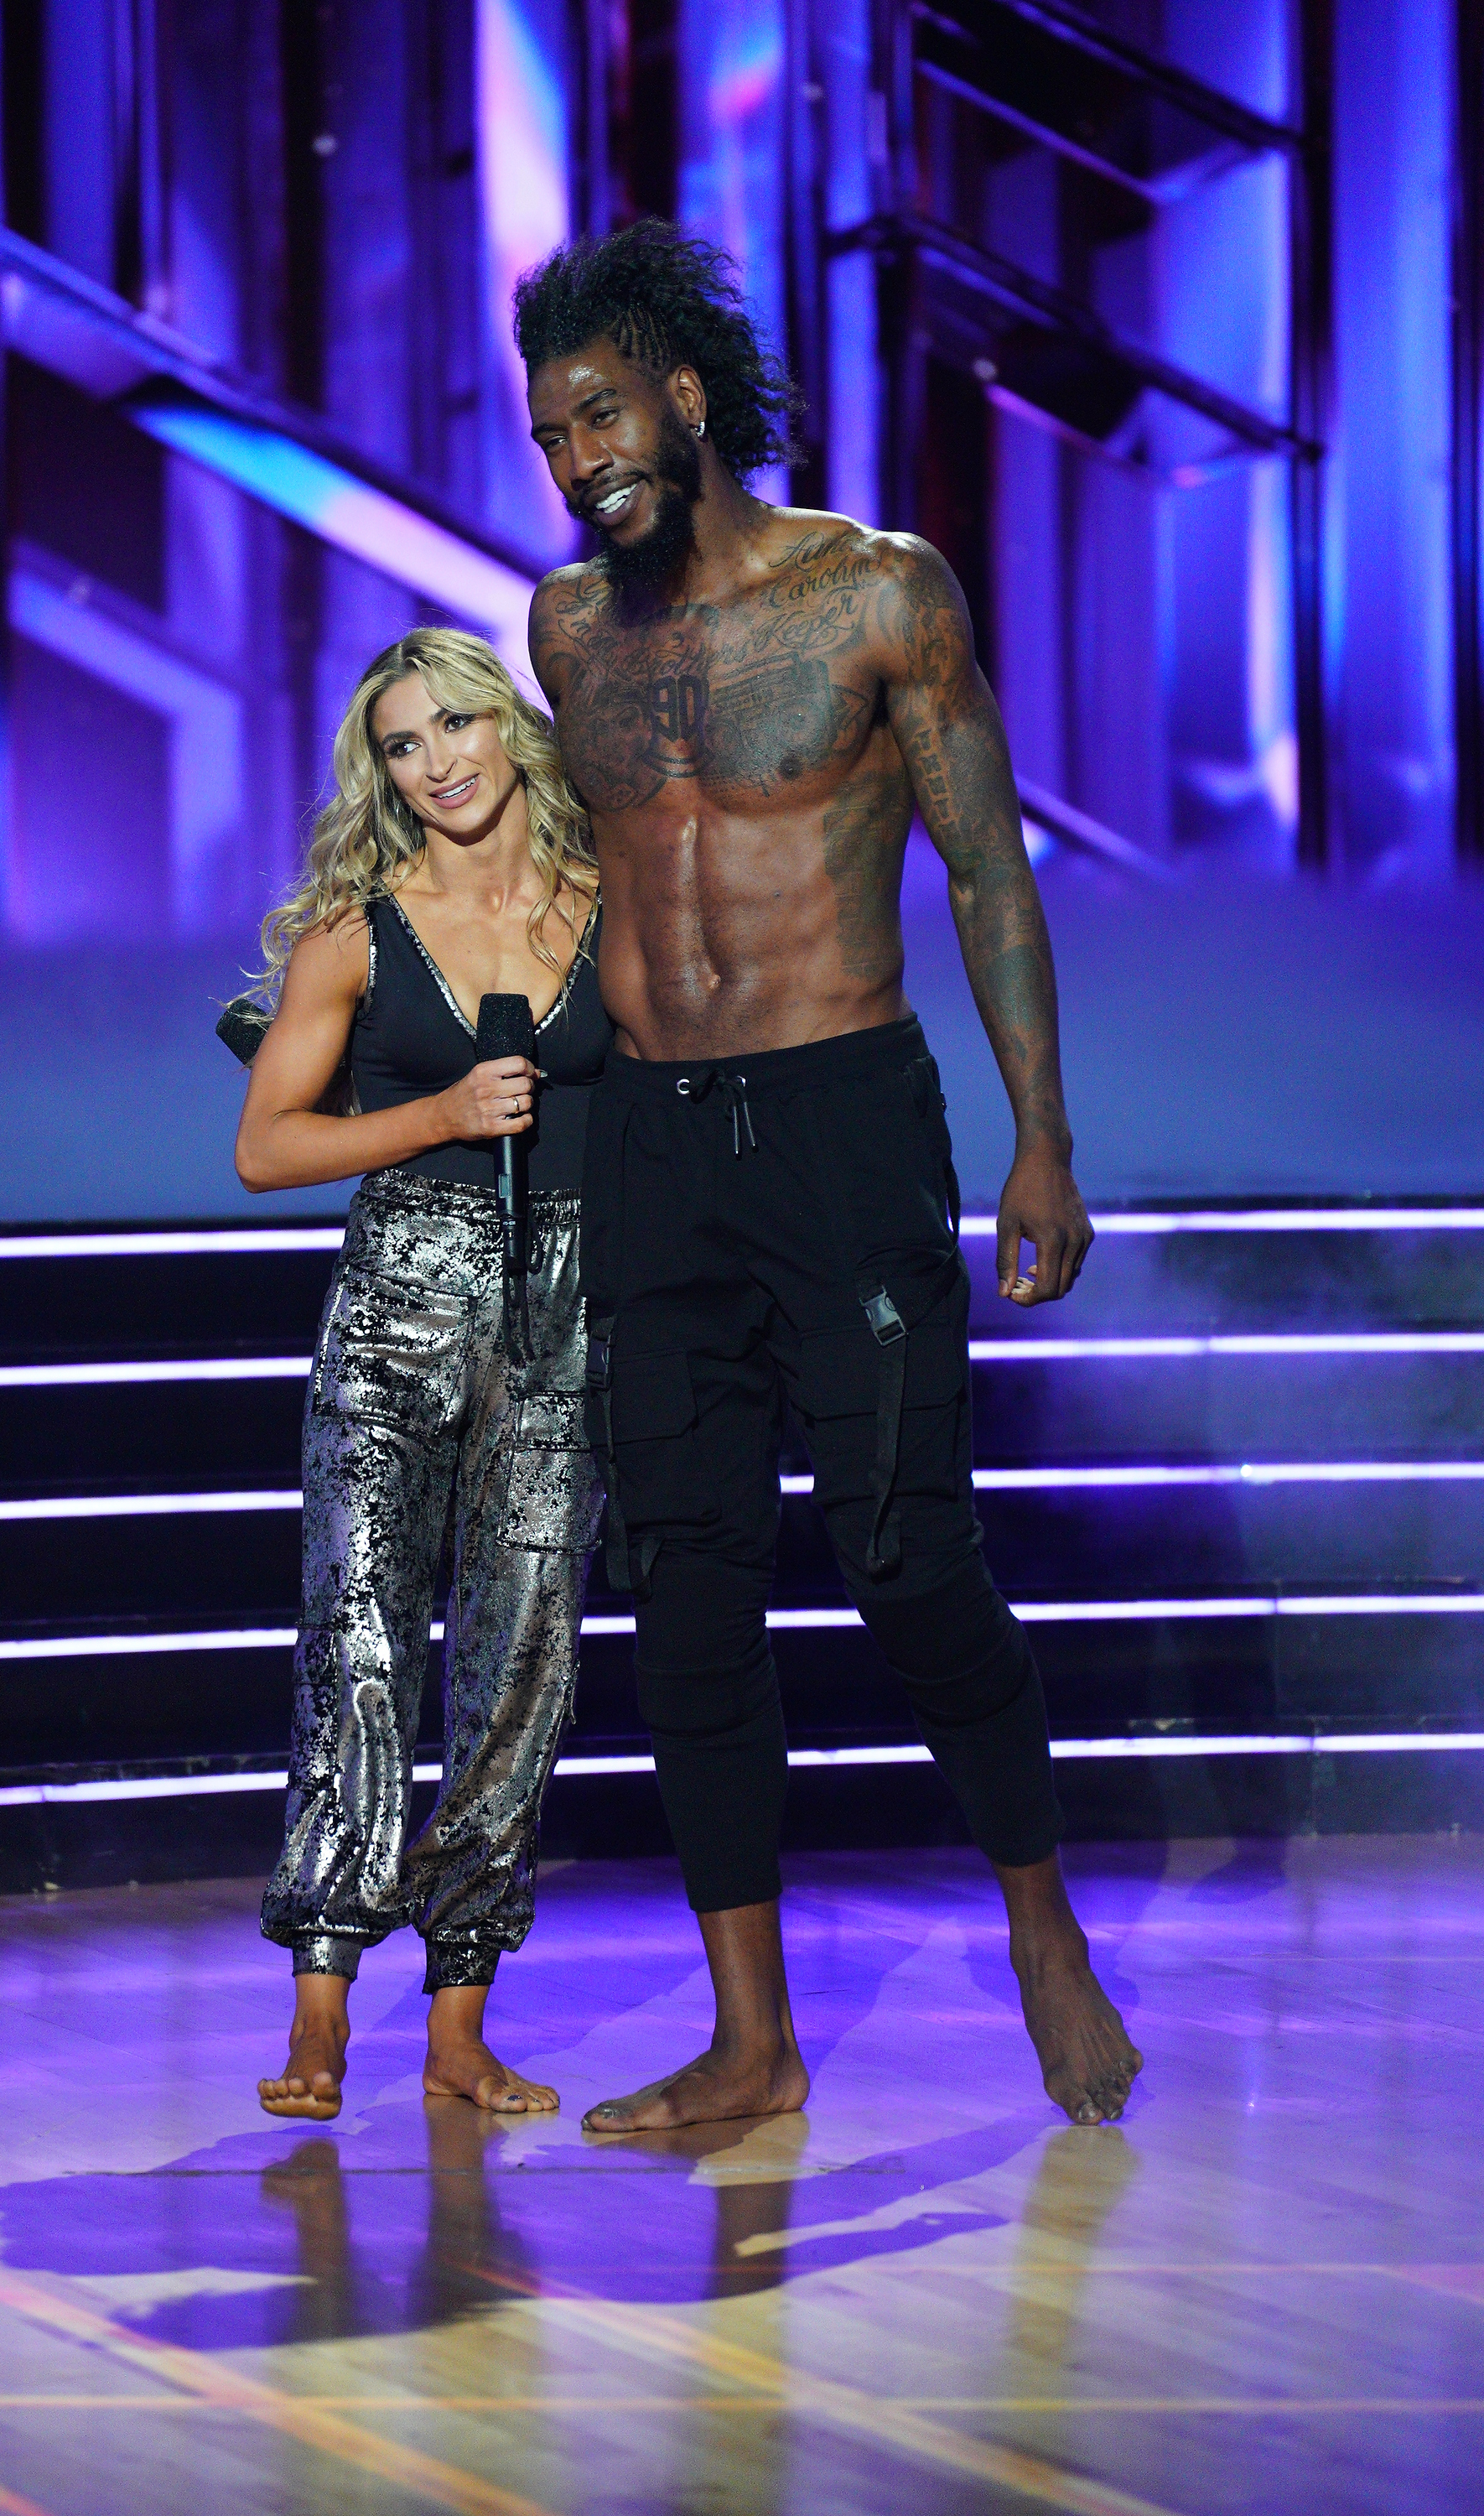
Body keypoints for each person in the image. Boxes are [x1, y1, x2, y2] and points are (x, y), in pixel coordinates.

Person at [513, 221, 1143, 2133]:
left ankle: (1043, 1929)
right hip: (649, 1147)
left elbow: (985, 870)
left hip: (841, 1125)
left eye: (603, 412)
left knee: (903, 1552)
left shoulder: (877, 594)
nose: (579, 457)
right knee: (684, 1587)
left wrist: (1040, 1134)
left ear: (687, 397)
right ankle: (753, 2042)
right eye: (550, 433)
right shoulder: (562, 632)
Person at [236, 627, 609, 2122]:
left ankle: (460, 2025)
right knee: (363, 1647)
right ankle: (322, 2010)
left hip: (569, 1315)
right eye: (403, 742)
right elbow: (268, 1145)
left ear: (511, 729)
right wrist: (444, 1111)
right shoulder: (353, 921)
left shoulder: (609, 900)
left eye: (459, 722)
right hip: (397, 1299)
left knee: (524, 1663)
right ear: (378, 771)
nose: (439, 760)